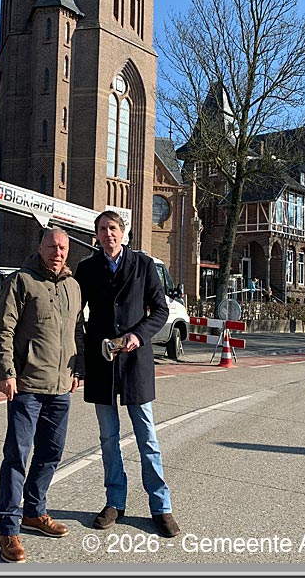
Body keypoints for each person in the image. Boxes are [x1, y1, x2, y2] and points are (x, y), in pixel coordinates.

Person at [74, 210, 181, 539]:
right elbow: (74, 312)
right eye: (102, 229)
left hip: (135, 363)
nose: (108, 234)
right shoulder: (87, 269)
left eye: (113, 228)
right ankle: (114, 502)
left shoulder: (143, 265)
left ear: (123, 232)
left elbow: (160, 310)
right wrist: (79, 357)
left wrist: (138, 335)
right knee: (109, 439)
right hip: (102, 362)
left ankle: (160, 507)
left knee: (147, 438)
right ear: (96, 235)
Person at [0, 228, 85, 563]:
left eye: (62, 248)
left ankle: (34, 511)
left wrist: (78, 370)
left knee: (51, 453)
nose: (57, 252)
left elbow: (77, 331)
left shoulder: (73, 286)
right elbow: (3, 329)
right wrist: (6, 372)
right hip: (27, 386)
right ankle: (8, 530)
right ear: (40, 247)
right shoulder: (21, 281)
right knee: (17, 456)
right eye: (52, 246)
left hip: (61, 387)